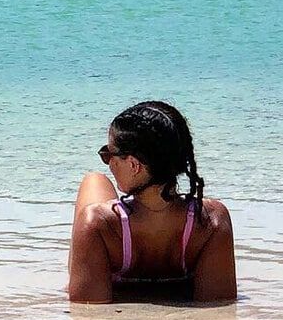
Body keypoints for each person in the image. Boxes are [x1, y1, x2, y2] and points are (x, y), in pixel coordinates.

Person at [67, 101, 236, 303]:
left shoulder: (98, 225)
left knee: (94, 180)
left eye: (109, 154)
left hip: (117, 235)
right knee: (97, 180)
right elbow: (219, 304)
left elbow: (88, 310)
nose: (109, 163)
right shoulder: (210, 221)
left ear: (133, 165)